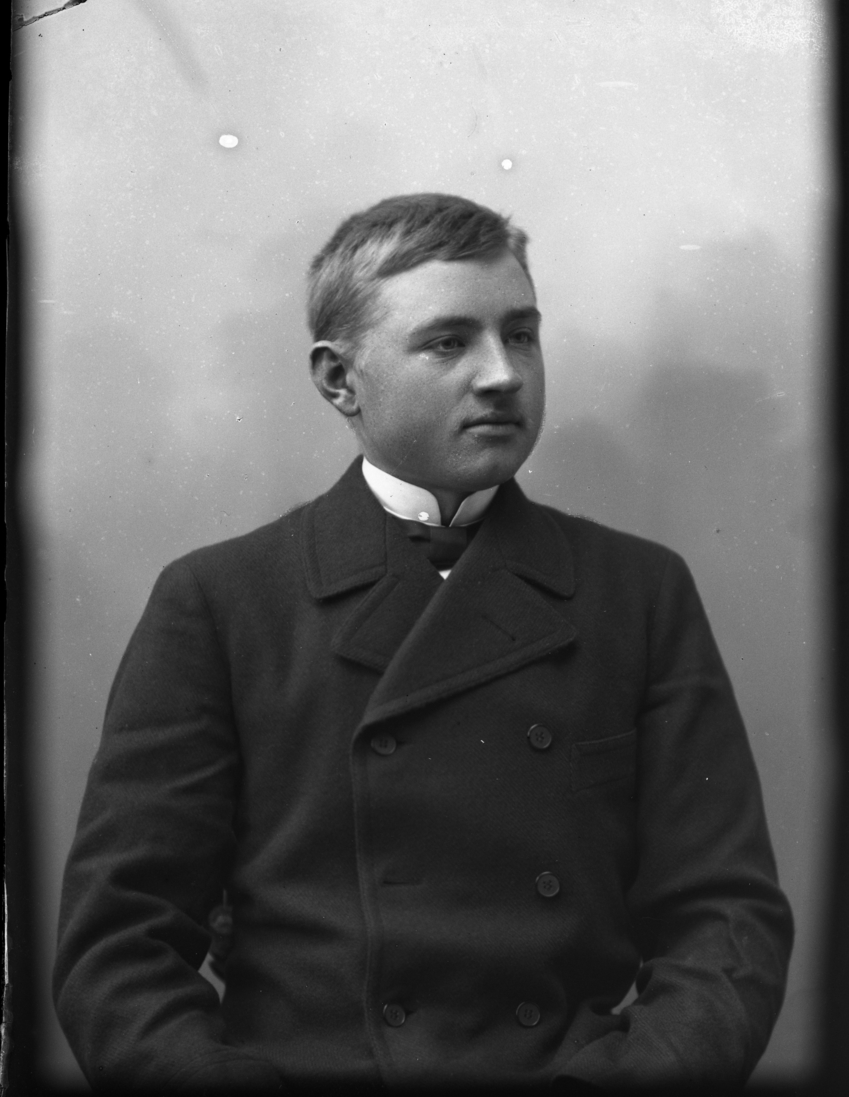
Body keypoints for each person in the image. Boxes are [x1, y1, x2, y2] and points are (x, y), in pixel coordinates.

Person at [54, 193, 793, 1093]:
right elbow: (118, 949)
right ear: (339, 380)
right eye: (448, 343)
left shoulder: (638, 591)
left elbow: (725, 920)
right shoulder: (220, 601)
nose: (502, 375)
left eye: (520, 335)